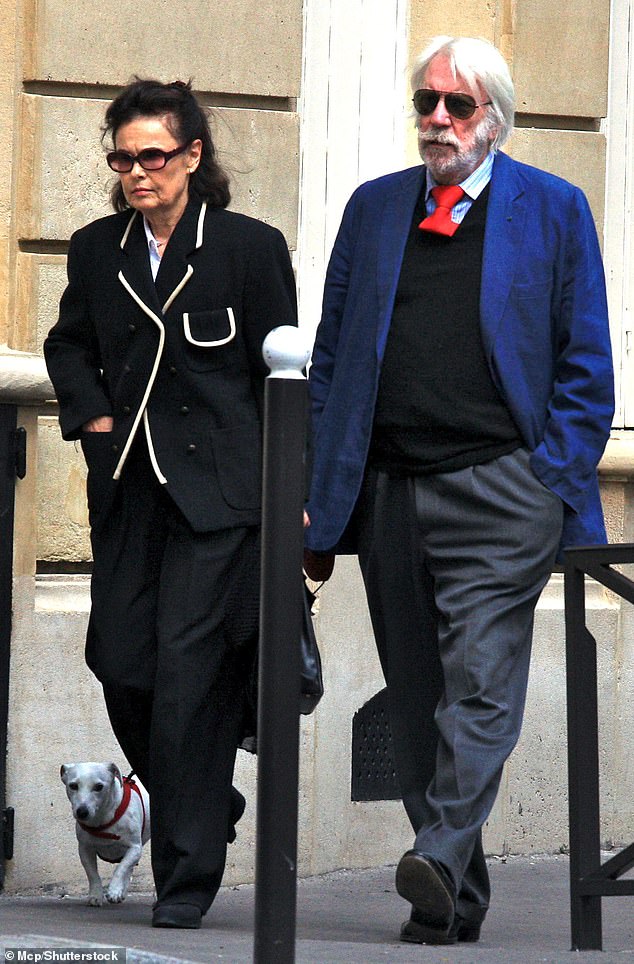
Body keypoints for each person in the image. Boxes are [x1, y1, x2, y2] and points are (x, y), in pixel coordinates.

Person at [304, 35, 614, 945]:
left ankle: (435, 856)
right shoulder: (374, 209)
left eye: (458, 105)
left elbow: (587, 364)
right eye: (426, 103)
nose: (437, 119)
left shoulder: (553, 210)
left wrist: (548, 478)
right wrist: (324, 489)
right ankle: (455, 893)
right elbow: (330, 362)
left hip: (502, 490)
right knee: (415, 696)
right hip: (392, 489)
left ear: (496, 118)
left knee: (480, 683)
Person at [44, 78, 297, 929]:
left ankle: (187, 877)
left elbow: (283, 379)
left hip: (219, 501)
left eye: (152, 155)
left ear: (191, 156)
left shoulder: (248, 249)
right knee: (117, 662)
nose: (135, 172)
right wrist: (97, 420)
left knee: (191, 681)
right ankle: (205, 803)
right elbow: (67, 343)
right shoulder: (95, 249)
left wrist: (290, 499)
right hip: (128, 490)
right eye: (122, 157)